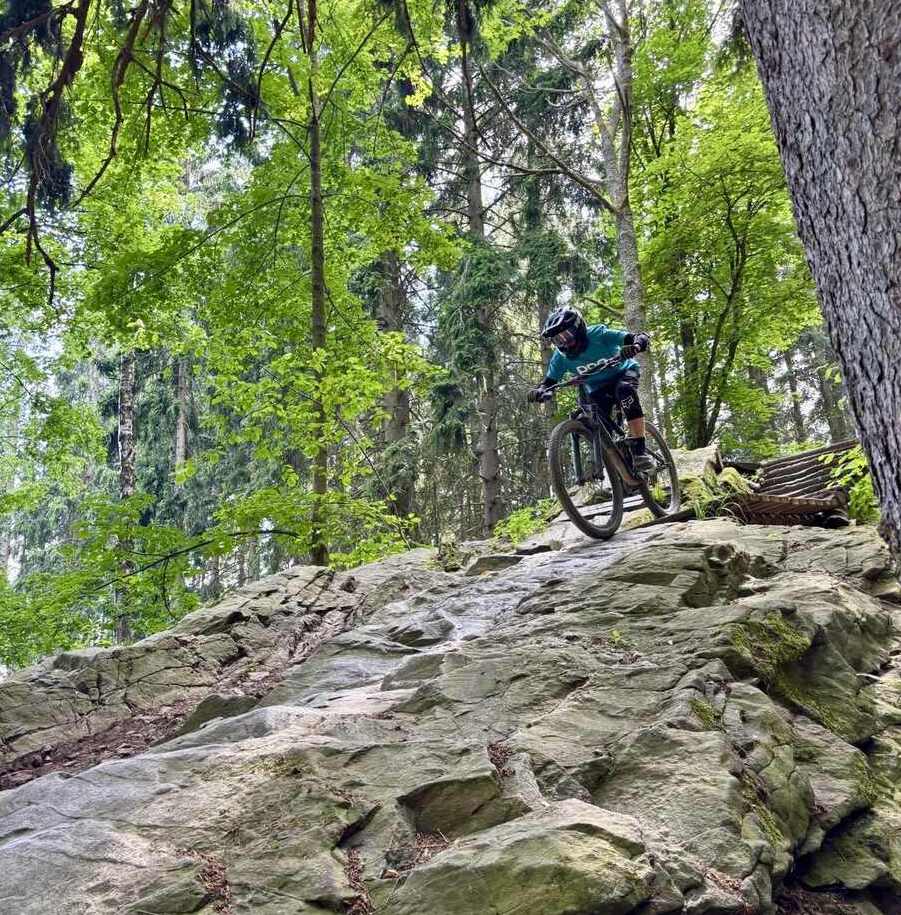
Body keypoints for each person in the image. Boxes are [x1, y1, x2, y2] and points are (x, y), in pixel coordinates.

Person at [528, 306, 654, 473]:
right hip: (597, 387)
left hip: (623, 373)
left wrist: (636, 345)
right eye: (557, 339)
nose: (564, 341)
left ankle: (640, 452)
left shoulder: (599, 334)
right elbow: (549, 381)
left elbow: (636, 337)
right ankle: (616, 472)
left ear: (578, 328)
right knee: (596, 424)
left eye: (566, 334)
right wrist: (542, 391)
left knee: (625, 391)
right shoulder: (560, 357)